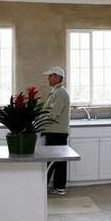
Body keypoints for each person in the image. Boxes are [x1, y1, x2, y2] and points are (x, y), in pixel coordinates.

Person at [42, 66, 70, 196]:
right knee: (58, 160)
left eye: (50, 76)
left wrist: (39, 122)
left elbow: (53, 114)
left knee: (52, 160)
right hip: (55, 131)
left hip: (56, 132)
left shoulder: (60, 93)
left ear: (58, 77)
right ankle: (59, 187)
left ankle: (44, 187)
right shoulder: (56, 91)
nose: (48, 78)